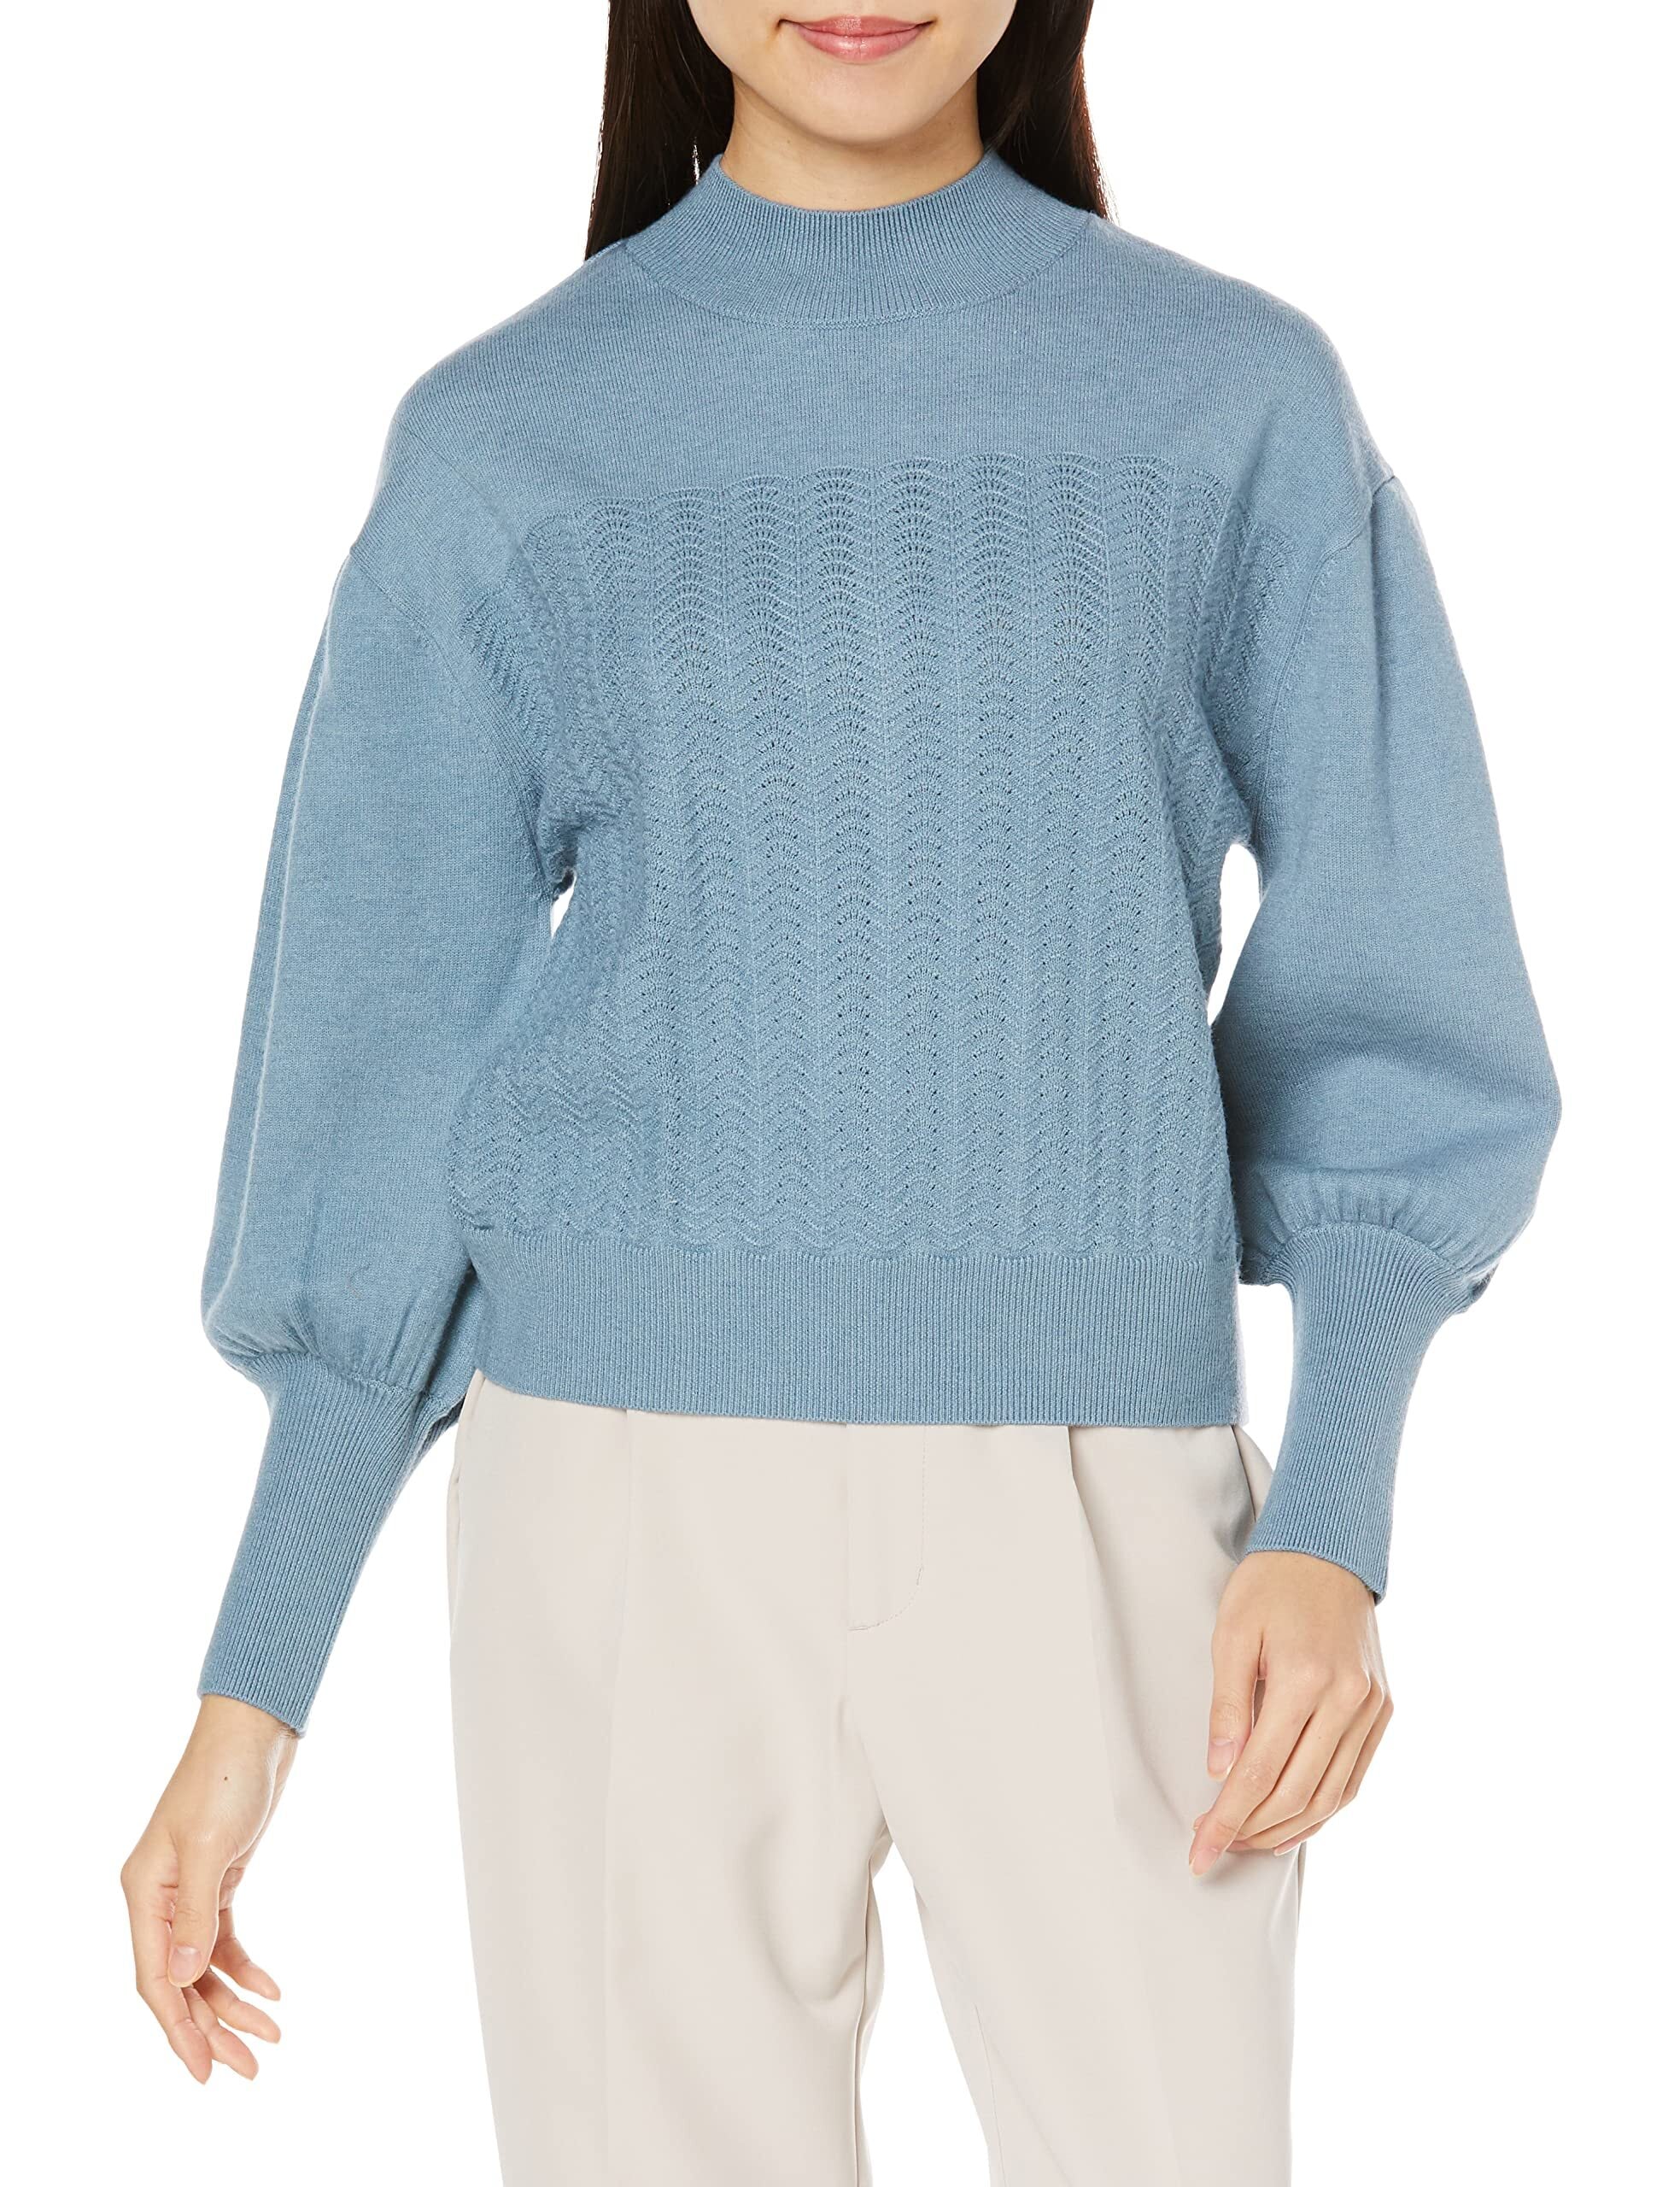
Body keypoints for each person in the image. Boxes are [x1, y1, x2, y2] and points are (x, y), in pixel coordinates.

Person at [121, 3, 1560, 2179]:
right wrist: (251, 1689)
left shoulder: (1233, 399)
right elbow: (377, 1067)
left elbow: (1399, 968)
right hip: (615, 1513)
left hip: (1103, 1498)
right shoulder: (506, 437)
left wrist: (1336, 1508)